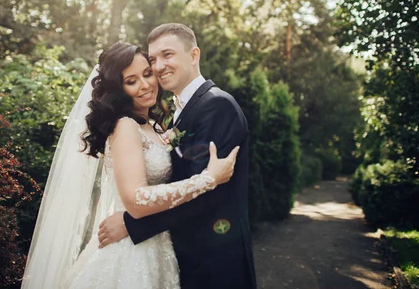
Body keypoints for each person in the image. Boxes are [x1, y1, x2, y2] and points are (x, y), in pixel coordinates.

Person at [21, 42, 239, 289]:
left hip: (155, 243)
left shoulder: (153, 126)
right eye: (131, 81)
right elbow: (136, 200)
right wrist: (207, 179)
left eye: (147, 74)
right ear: (118, 89)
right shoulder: (125, 126)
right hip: (130, 253)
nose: (146, 84)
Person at [98, 24, 257, 289]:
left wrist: (131, 224)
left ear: (194, 55)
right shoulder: (175, 115)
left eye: (168, 54)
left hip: (215, 263)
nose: (159, 66)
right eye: (153, 59)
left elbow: (209, 193)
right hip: (184, 257)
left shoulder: (217, 105)